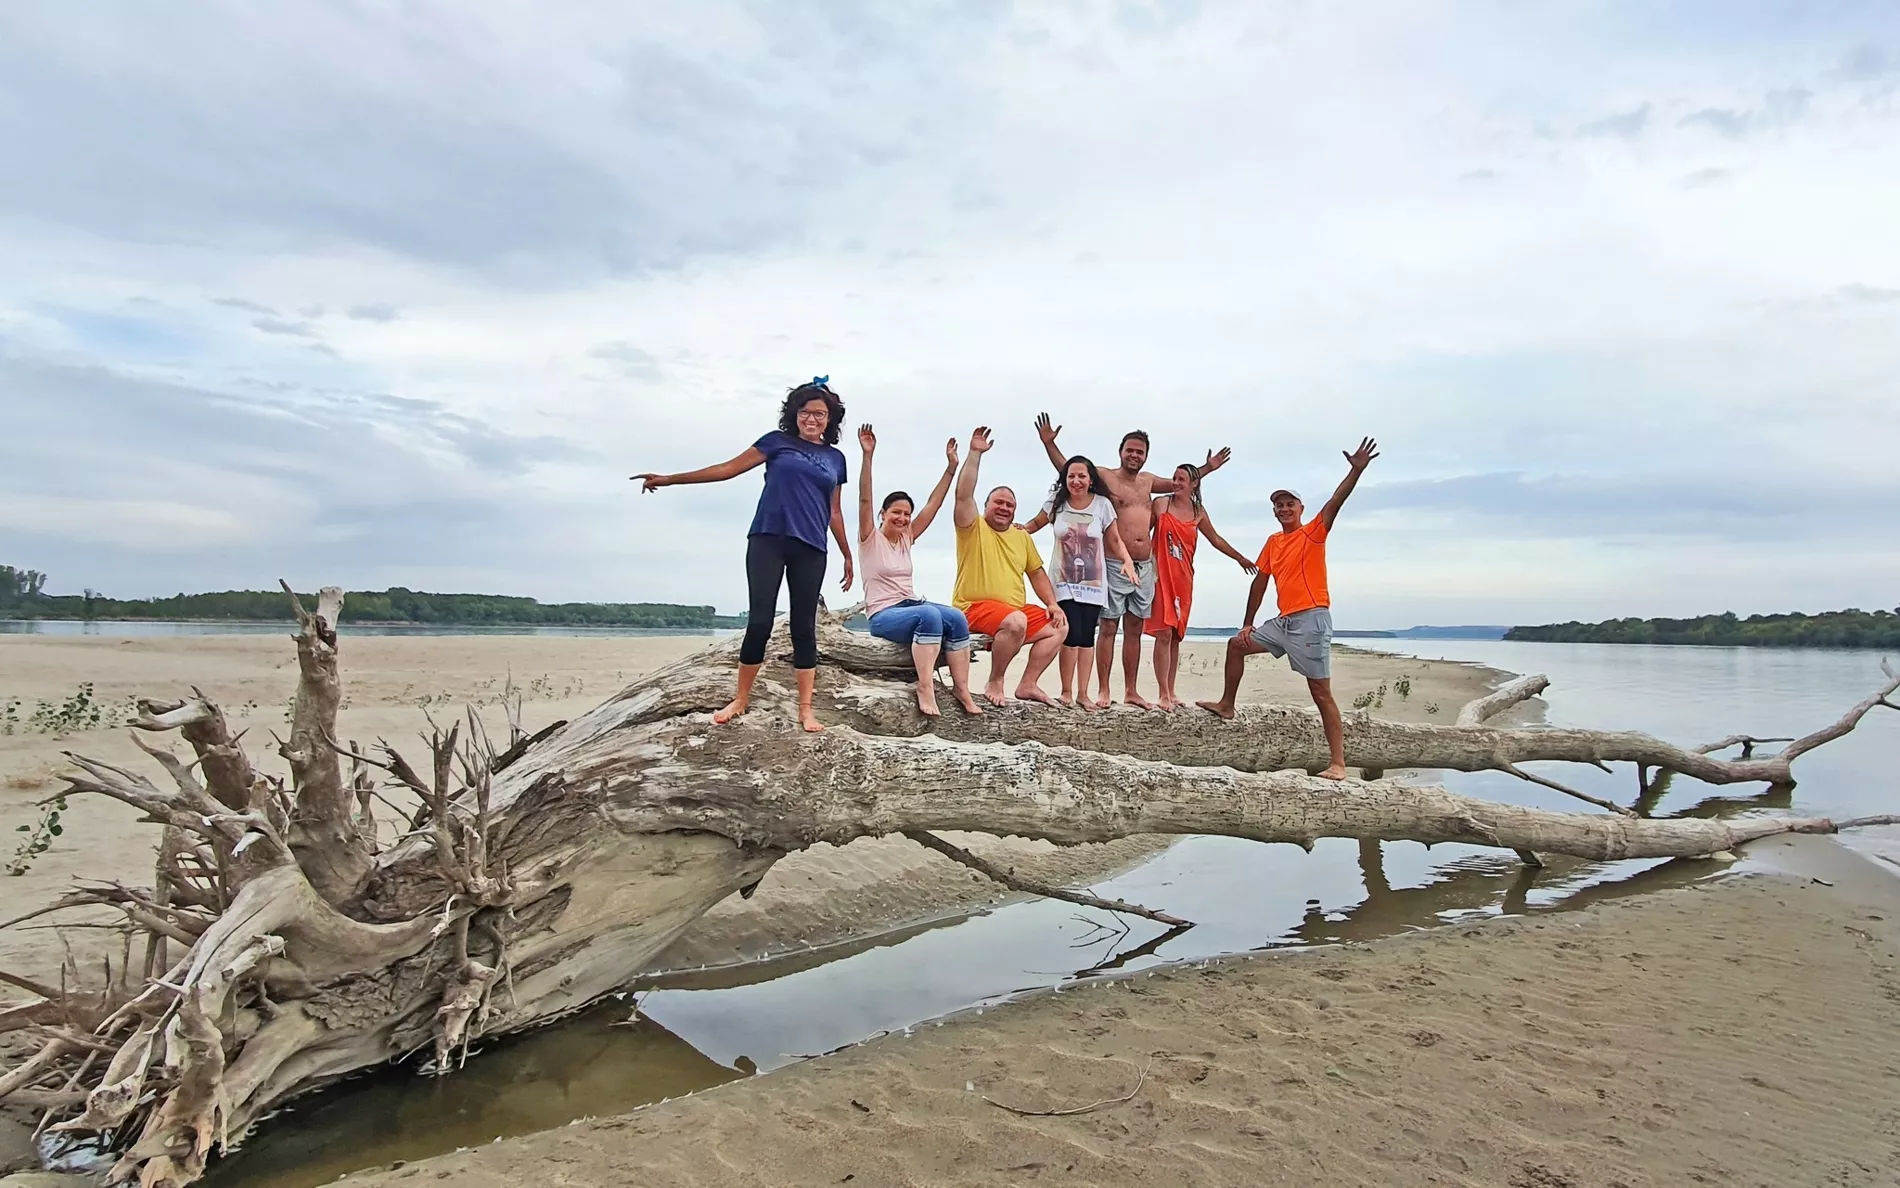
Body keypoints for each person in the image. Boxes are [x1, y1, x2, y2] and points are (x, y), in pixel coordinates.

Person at [632, 379, 854, 734]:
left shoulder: (836, 459)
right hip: (768, 539)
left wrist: (847, 554)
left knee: (804, 627)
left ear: (830, 420)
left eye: (819, 414)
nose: (811, 419)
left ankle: (806, 710)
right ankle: (740, 699)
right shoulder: (776, 442)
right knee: (760, 621)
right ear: (794, 414)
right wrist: (670, 479)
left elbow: (835, 511)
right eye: (805, 412)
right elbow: (727, 469)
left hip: (812, 547)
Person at [1198, 438, 1381, 780]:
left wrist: (1355, 471)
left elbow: (1335, 501)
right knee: (1236, 645)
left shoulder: (1313, 533)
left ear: (1300, 508)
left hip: (1312, 619)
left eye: (1289, 504)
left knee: (1320, 691)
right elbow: (1259, 582)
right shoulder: (1273, 542)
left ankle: (1339, 764)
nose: (1283, 509)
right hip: (1283, 623)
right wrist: (1248, 623)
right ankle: (1226, 705)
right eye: (1278, 505)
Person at [1034, 413, 1230, 710]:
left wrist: (1207, 468)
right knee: (1108, 627)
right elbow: (1070, 471)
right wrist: (1049, 444)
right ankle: (1103, 690)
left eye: (1140, 452)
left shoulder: (1148, 482)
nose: (1135, 455)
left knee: (1135, 628)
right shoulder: (1105, 477)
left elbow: (1181, 484)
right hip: (1114, 563)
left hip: (1144, 565)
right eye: (1130, 450)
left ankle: (1131, 691)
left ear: (1146, 455)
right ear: (1121, 452)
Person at [856, 423, 983, 718]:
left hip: (909, 605)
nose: (902, 518)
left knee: (956, 617)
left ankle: (961, 687)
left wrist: (951, 468)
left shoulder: (906, 537)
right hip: (883, 615)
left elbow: (933, 505)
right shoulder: (869, 538)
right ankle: (925, 685)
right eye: (896, 512)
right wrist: (867, 456)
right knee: (929, 615)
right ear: (883, 514)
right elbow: (864, 499)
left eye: (906, 514)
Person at [950, 426, 1068, 706]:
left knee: (1059, 625)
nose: (1004, 508)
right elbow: (963, 495)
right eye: (999, 503)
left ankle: (1028, 684)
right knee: (1016, 621)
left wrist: (1052, 604)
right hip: (973, 609)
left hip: (1013, 614)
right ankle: (996, 680)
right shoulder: (972, 527)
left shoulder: (1021, 536)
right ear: (985, 506)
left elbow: (1036, 573)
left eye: (1010, 505)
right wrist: (975, 454)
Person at [1019, 456, 1139, 708]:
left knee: (1086, 637)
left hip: (1093, 583)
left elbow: (1114, 539)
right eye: (1071, 476)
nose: (1076, 481)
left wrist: (1127, 560)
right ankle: (1066, 692)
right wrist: (1019, 530)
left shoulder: (1103, 505)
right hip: (1063, 581)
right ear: (1064, 479)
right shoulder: (1056, 502)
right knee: (1070, 634)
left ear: (1091, 479)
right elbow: (1036, 523)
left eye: (1081, 476)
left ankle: (1083, 694)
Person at [1143, 463, 1258, 710]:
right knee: (1163, 633)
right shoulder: (1161, 504)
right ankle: (1163, 693)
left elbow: (1216, 539)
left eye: (1182, 479)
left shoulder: (1198, 511)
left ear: (1193, 484)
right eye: (1174, 478)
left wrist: (1240, 558)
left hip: (1184, 577)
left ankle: (1171, 690)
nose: (1176, 483)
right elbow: (1142, 533)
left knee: (1175, 636)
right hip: (1160, 575)